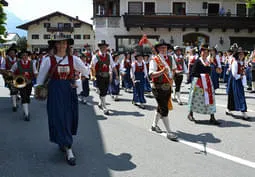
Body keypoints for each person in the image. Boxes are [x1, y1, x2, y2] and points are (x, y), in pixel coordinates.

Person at [36, 33, 89, 166]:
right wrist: (38, 90)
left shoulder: (74, 59)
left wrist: (80, 78)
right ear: (55, 45)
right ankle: (68, 148)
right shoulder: (48, 60)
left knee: (69, 117)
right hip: (55, 92)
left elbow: (86, 71)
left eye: (64, 43)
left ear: (67, 45)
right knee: (58, 117)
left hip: (69, 91)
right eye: (59, 43)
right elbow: (41, 78)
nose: (61, 45)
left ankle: (65, 142)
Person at [149, 39, 178, 141]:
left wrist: (171, 79)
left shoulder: (171, 58)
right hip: (158, 87)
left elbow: (174, 70)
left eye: (165, 47)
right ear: (157, 49)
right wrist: (162, 71)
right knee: (164, 109)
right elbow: (151, 74)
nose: (163, 49)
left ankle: (154, 125)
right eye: (161, 47)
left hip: (168, 87)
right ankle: (169, 132)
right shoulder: (154, 60)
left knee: (160, 108)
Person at [187, 44, 220, 125]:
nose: (205, 53)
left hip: (207, 82)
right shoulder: (198, 61)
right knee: (195, 99)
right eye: (203, 52)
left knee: (210, 98)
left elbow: (212, 71)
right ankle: (190, 114)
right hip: (198, 82)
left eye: (206, 52)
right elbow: (193, 73)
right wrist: (202, 76)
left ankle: (212, 117)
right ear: (200, 53)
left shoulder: (208, 61)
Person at [91, 40, 118, 115]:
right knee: (102, 91)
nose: (103, 48)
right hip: (99, 76)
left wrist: (117, 75)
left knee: (105, 91)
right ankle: (104, 107)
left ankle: (100, 103)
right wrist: (93, 76)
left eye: (105, 47)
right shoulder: (95, 56)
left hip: (107, 76)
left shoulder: (109, 56)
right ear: (99, 47)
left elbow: (113, 66)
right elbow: (92, 67)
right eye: (102, 47)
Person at [10, 50, 37, 121]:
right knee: (24, 96)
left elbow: (35, 73)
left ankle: (25, 107)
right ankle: (26, 114)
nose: (25, 56)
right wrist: (15, 78)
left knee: (27, 97)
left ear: (28, 56)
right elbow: (11, 71)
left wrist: (34, 79)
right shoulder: (17, 64)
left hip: (29, 83)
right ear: (21, 56)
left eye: (26, 55)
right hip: (20, 83)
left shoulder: (32, 63)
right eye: (23, 55)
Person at [226, 47, 249, 120]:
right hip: (236, 80)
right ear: (237, 55)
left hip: (239, 80)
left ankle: (229, 109)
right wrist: (240, 76)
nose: (242, 56)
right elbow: (234, 73)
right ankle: (243, 111)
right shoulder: (235, 62)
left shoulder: (242, 62)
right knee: (240, 95)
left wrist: (243, 75)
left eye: (242, 54)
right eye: (240, 54)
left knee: (233, 95)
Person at [3, 45, 19, 111]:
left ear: (15, 53)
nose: (12, 54)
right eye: (11, 52)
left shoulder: (18, 60)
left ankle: (16, 97)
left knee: (16, 89)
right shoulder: (5, 60)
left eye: (13, 52)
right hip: (8, 76)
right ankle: (14, 105)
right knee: (12, 89)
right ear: (8, 53)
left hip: (18, 77)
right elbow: (2, 69)